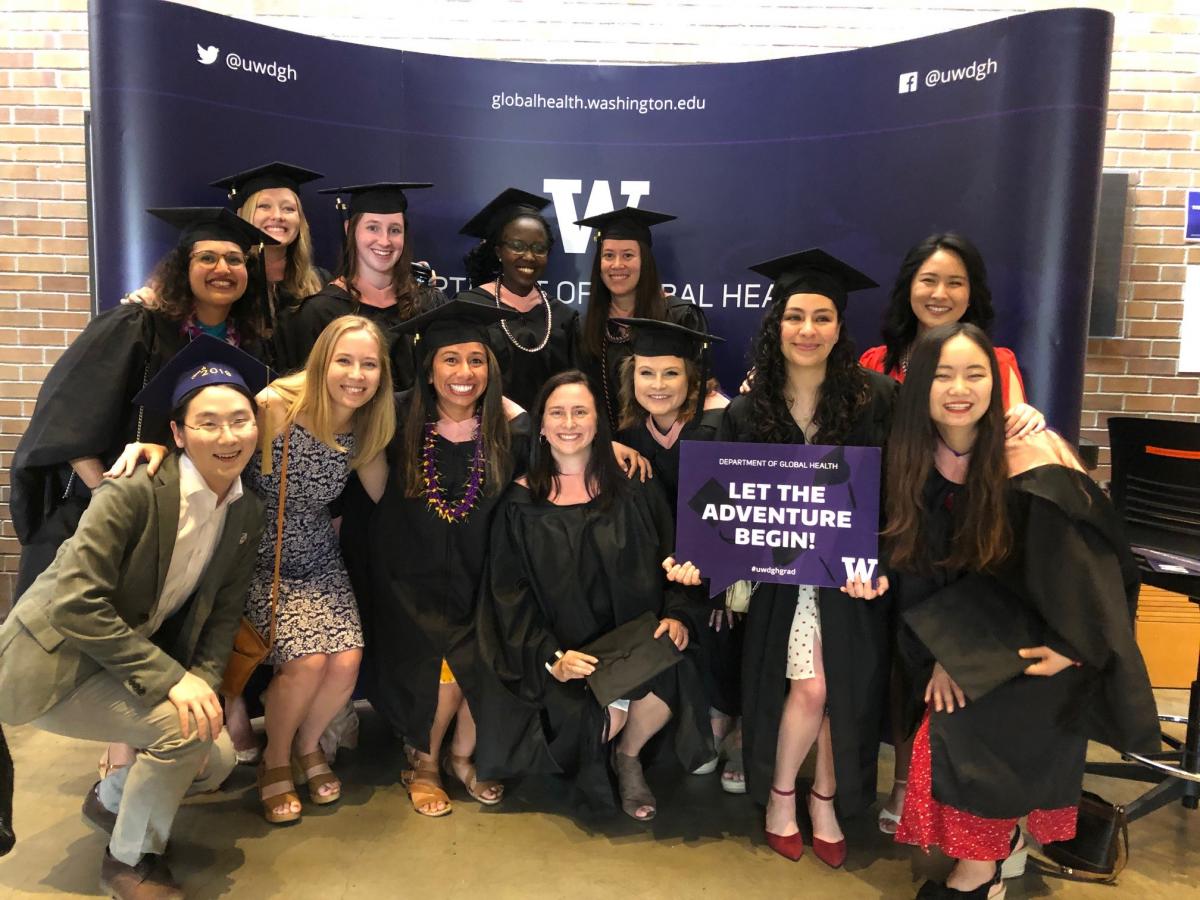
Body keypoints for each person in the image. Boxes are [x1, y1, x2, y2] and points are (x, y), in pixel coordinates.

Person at [883, 323, 1158, 899]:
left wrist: (1074, 646)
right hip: (971, 634)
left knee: (970, 737)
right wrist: (947, 653)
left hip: (1036, 645)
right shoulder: (915, 459)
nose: (959, 388)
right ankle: (991, 851)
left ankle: (979, 871)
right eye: (942, 374)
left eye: (974, 373)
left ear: (998, 383)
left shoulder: (1031, 464)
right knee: (942, 722)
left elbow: (1088, 578)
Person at [0, 336, 268, 899]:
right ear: (176, 433)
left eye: (240, 420)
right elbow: (74, 602)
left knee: (212, 753)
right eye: (208, 423)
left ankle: (112, 800)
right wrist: (175, 681)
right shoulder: (133, 491)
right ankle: (128, 862)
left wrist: (208, 686)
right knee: (180, 734)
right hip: (48, 663)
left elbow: (223, 613)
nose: (227, 437)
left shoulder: (246, 509)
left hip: (117, 659)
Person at [673, 249, 895, 865]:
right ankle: (787, 795)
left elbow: (895, 491)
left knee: (835, 690)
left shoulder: (876, 399)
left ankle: (816, 797)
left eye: (822, 317)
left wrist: (880, 565)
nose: (807, 330)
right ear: (777, 325)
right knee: (814, 687)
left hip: (849, 579)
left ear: (839, 328)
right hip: (779, 579)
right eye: (795, 316)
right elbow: (725, 500)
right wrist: (699, 555)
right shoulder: (749, 410)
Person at [859, 231, 1042, 833]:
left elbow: (1006, 445)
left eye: (955, 282)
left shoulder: (1000, 363)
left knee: (936, 661)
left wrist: (1030, 419)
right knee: (887, 664)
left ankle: (927, 786)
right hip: (896, 529)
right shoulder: (874, 365)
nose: (940, 293)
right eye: (929, 280)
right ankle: (899, 778)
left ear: (972, 293)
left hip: (961, 534)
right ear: (908, 287)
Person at [478, 371, 712, 821]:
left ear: (598, 423)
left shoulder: (633, 486)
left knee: (669, 675)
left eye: (581, 411)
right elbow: (511, 597)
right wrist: (553, 658)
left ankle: (628, 759)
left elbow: (674, 556)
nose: (569, 422)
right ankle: (603, 745)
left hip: (633, 644)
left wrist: (679, 615)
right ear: (540, 426)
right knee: (598, 721)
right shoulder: (520, 504)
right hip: (569, 655)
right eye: (557, 412)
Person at [10, 207, 275, 599]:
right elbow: (67, 421)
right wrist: (109, 499)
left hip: (182, 523)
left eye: (234, 259)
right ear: (183, 267)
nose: (223, 268)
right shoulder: (137, 325)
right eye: (207, 258)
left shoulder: (250, 344)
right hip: (96, 517)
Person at [353, 299, 529, 817]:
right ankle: (424, 763)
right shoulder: (393, 418)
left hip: (480, 579)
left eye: (476, 360)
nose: (464, 373)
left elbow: (568, 443)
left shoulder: (510, 429)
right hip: (409, 580)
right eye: (450, 359)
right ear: (428, 368)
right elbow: (375, 491)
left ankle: (461, 756)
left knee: (487, 653)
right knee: (440, 666)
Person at [242, 315, 394, 824]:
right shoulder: (275, 408)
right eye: (344, 361)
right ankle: (275, 758)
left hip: (318, 556)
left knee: (347, 659)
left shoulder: (365, 425)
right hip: (262, 558)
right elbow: (212, 458)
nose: (356, 374)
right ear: (321, 362)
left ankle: (310, 746)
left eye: (369, 364)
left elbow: (389, 499)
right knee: (307, 661)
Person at [611, 318, 745, 791]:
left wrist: (729, 586)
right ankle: (690, 726)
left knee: (725, 626)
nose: (658, 385)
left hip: (721, 570)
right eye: (646, 373)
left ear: (692, 377)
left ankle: (735, 731)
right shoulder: (629, 434)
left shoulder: (720, 426)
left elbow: (743, 510)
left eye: (671, 373)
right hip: (664, 566)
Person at [284, 182, 446, 390]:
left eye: (395, 230)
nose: (385, 241)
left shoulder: (428, 305)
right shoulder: (319, 313)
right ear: (349, 229)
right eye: (373, 228)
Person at [574, 207, 710, 430]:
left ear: (645, 261)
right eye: (608, 255)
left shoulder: (679, 316)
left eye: (628, 255)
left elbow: (700, 390)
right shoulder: (585, 326)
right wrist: (608, 445)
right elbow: (583, 393)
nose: (617, 265)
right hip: (607, 449)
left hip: (669, 445)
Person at [456, 187, 578, 411]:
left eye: (539, 248)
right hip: (488, 432)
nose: (529, 257)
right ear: (498, 251)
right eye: (517, 246)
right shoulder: (470, 306)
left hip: (552, 435)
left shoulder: (563, 317)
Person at [209, 161, 330, 370]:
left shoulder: (321, 284)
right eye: (264, 206)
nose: (278, 216)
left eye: (288, 208)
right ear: (242, 214)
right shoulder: (226, 281)